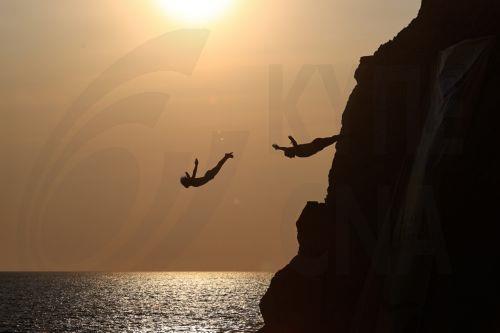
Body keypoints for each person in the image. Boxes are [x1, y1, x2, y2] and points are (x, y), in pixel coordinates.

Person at [272, 134, 341, 158]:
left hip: (316, 144)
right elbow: (294, 144)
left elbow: (286, 149)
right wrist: (291, 139)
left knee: (332, 139)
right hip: (317, 145)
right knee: (332, 139)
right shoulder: (298, 152)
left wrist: (278, 148)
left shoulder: (296, 152)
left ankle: (341, 136)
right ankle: (342, 136)